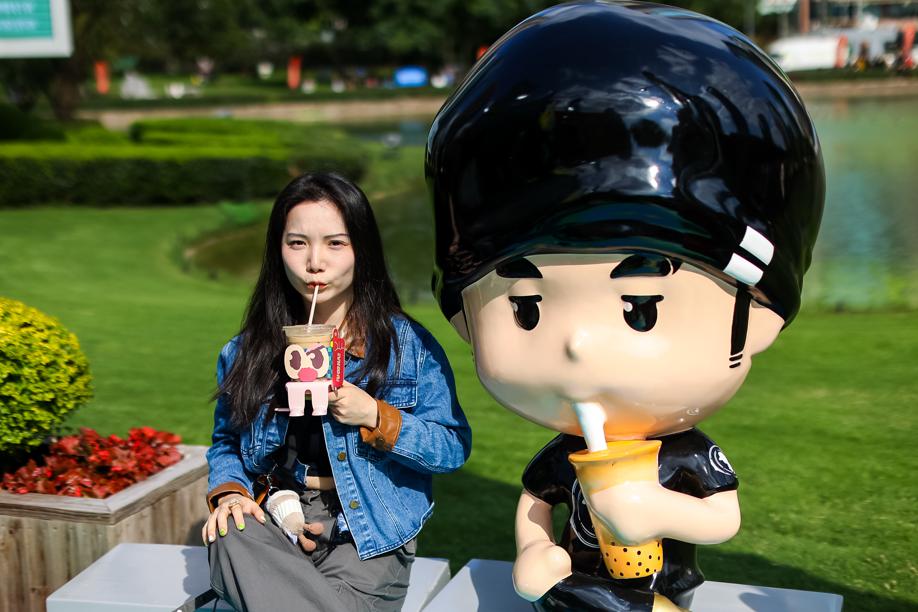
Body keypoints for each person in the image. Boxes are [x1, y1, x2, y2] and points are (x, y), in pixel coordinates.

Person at [426, 2, 823, 610]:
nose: (577, 342)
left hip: (660, 593)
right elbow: (536, 504)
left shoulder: (685, 453)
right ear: (466, 320)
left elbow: (722, 518)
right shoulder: (566, 456)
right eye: (526, 307)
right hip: (579, 586)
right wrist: (534, 550)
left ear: (759, 317)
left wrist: (655, 509)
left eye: (641, 306)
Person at [203, 172, 472, 612]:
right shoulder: (245, 351)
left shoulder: (408, 347)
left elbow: (452, 446)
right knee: (230, 531)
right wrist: (231, 492)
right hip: (278, 516)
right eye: (297, 243)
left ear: (361, 249)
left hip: (366, 534)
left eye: (335, 243)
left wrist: (377, 417)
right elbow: (226, 442)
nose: (315, 262)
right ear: (277, 249)